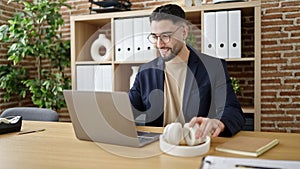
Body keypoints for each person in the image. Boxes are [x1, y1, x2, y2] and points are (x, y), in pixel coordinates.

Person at [129, 4, 245, 138]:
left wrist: (218, 123)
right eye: (155, 37)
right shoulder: (145, 72)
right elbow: (129, 109)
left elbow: (233, 111)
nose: (159, 44)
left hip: (197, 144)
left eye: (165, 36)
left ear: (183, 32)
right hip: (158, 146)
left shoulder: (213, 67)